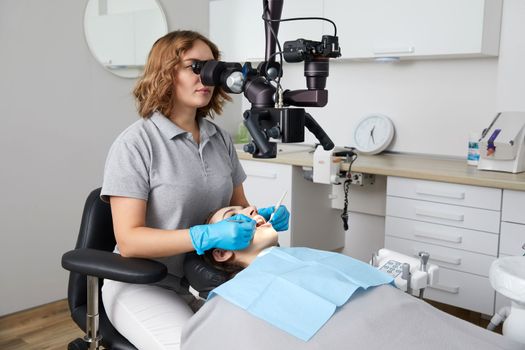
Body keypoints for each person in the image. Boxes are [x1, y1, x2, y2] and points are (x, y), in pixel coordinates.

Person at [100, 30, 289, 350]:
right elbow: (129, 242)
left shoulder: (220, 139)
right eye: (195, 67)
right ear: (165, 73)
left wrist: (260, 217)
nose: (208, 77)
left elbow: (238, 206)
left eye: (213, 67)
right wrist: (206, 235)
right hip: (142, 284)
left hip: (202, 282)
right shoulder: (136, 143)